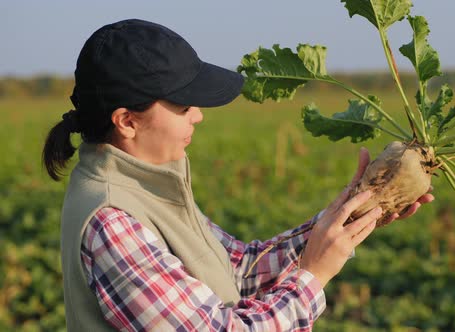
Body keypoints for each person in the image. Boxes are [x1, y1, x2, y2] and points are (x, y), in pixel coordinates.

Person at [42, 19, 434, 331]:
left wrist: (348, 215)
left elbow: (239, 269)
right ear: (127, 121)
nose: (198, 114)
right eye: (182, 106)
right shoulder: (112, 221)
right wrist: (312, 276)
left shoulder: (149, 181)